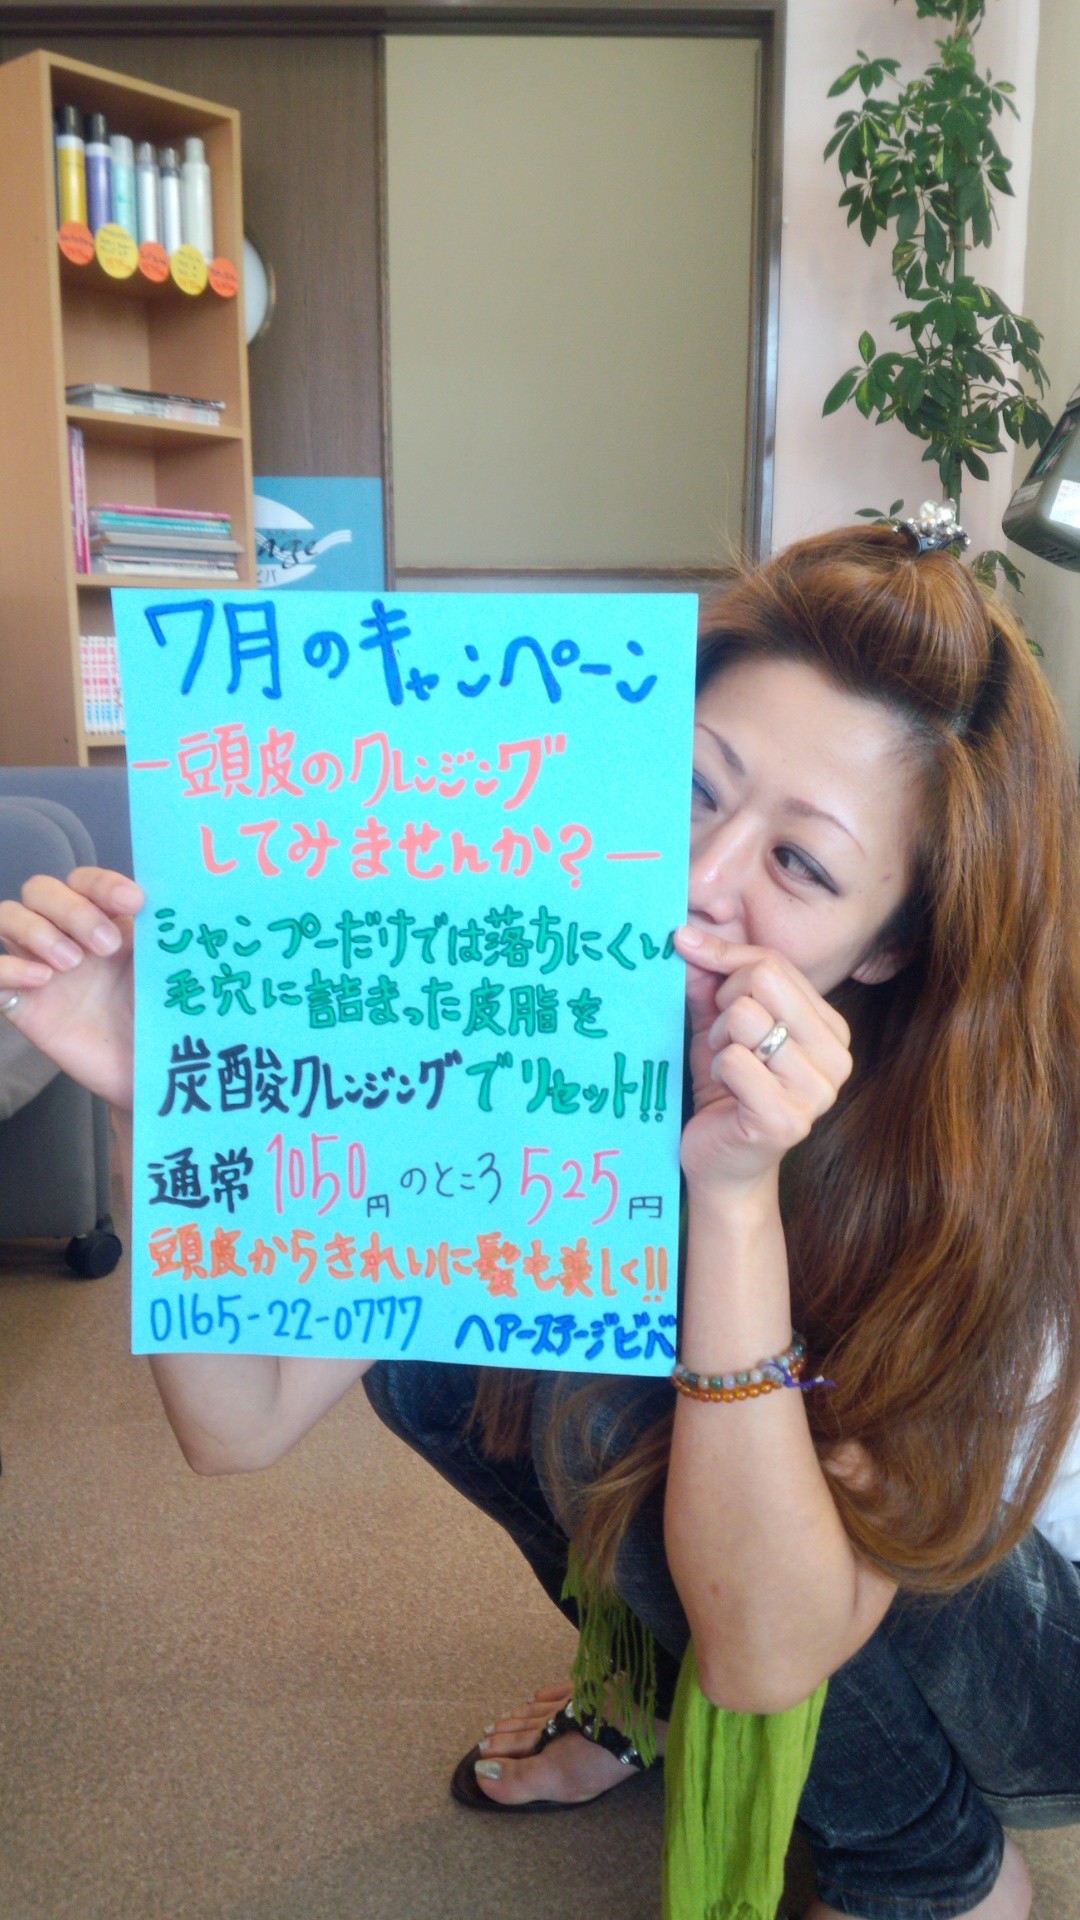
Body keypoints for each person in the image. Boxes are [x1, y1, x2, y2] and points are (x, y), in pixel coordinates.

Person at [1, 519, 1078, 1920]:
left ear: (887, 947)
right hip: (793, 1575)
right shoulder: (541, 1013)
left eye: (801, 866)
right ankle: (643, 1685)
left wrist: (733, 1196)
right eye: (691, 787)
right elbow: (240, 1422)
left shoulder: (972, 1150)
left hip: (1026, 1636)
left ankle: (929, 1861)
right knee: (453, 1355)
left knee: (630, 1417)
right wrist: (162, 1097)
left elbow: (770, 1651)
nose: (701, 876)